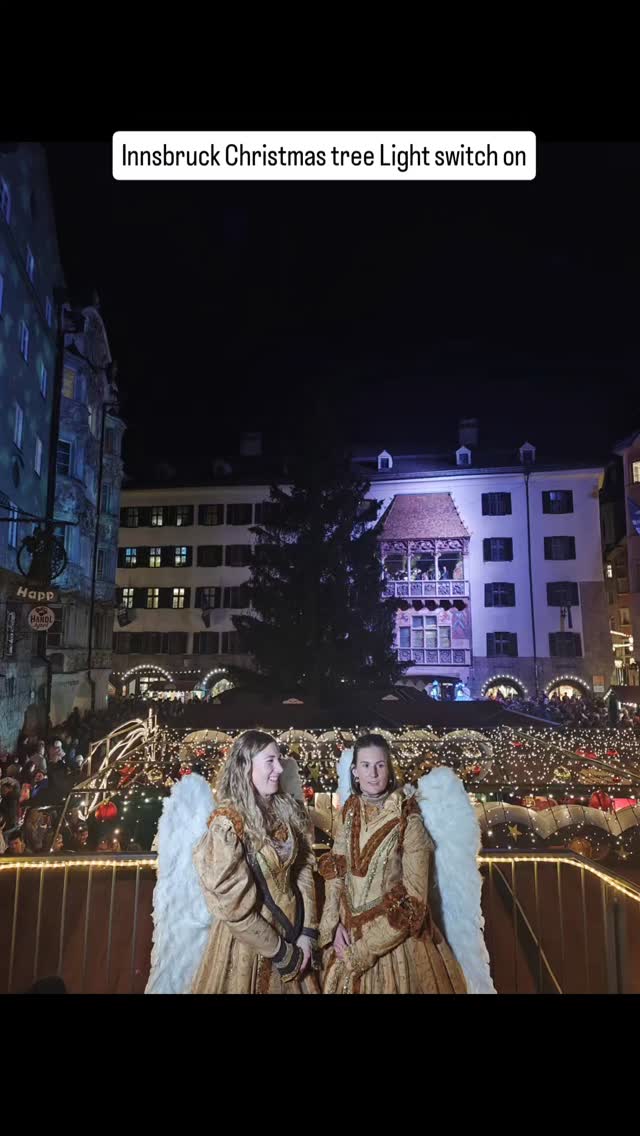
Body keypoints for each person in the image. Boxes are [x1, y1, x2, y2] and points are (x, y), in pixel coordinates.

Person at [319, 734, 494, 995]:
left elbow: (415, 901)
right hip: (346, 937)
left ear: (389, 769)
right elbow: (337, 870)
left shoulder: (408, 821)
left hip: (392, 946)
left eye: (380, 765)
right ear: (355, 771)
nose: (373, 773)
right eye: (365, 766)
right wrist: (333, 925)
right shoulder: (349, 811)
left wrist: (363, 951)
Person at [147, 730, 319, 994]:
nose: (279, 767)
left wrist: (307, 932)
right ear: (246, 766)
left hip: (296, 936)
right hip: (249, 951)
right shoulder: (227, 825)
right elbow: (233, 910)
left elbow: (303, 868)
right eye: (269, 761)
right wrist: (282, 953)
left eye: (279, 759)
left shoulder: (288, 811)